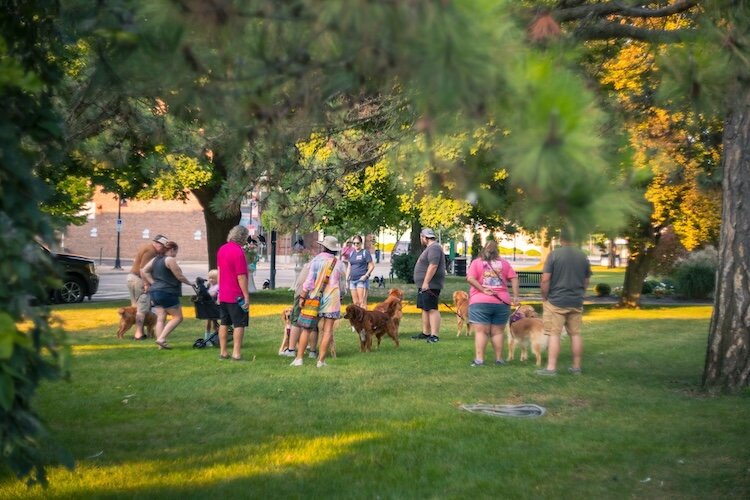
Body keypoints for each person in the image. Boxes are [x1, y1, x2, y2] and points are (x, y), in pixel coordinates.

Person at [537, 229, 592, 376]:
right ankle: (576, 367)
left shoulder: (554, 255)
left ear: (561, 239)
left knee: (554, 334)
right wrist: (580, 293)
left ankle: (551, 368)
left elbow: (545, 279)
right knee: (575, 334)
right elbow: (586, 281)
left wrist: (544, 296)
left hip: (556, 301)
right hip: (576, 301)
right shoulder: (583, 256)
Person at [291, 235, 346, 368]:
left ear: (324, 247)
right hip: (332, 299)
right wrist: (341, 296)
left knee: (306, 329)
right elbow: (343, 285)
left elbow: (309, 282)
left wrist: (303, 297)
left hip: (314, 298)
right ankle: (321, 361)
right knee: (327, 331)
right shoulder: (339, 264)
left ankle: (299, 359)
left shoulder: (316, 261)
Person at [465, 240, 519, 366]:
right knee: (498, 332)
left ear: (483, 250)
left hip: (480, 301)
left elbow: (470, 278)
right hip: (501, 302)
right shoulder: (504, 263)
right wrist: (516, 296)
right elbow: (514, 278)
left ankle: (479, 359)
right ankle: (499, 359)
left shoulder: (476, 262)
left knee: (481, 332)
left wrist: (483, 289)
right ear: (497, 251)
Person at [141, 241, 194, 350]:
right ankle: (161, 339)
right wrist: (190, 283)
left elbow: (144, 270)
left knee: (161, 318)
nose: (176, 253)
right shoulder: (170, 260)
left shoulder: (155, 259)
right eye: (176, 251)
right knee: (178, 317)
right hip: (167, 292)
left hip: (155, 292)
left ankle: (160, 346)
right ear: (172, 249)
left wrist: (153, 283)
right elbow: (179, 276)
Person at [217, 225, 250, 361]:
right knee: (239, 324)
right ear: (242, 237)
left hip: (224, 293)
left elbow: (219, 271)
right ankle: (236, 353)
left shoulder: (222, 249)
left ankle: (223, 352)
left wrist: (219, 291)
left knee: (224, 323)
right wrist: (246, 295)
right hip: (236, 295)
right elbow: (241, 276)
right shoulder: (238, 252)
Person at [126, 234, 168, 340]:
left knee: (136, 307)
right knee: (142, 308)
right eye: (162, 246)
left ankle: (140, 331)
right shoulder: (151, 251)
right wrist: (146, 284)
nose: (162, 249)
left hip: (132, 278)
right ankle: (139, 334)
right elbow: (143, 269)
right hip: (139, 280)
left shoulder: (146, 247)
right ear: (156, 243)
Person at [411, 228, 446, 343]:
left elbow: (433, 266)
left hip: (431, 285)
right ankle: (426, 333)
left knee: (431, 308)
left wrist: (426, 282)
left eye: (421, 237)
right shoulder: (430, 248)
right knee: (425, 308)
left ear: (425, 237)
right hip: (424, 285)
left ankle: (434, 335)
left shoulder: (434, 248)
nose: (421, 239)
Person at [279, 259, 316, 357]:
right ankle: (312, 352)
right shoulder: (331, 263)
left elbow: (305, 282)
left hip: (302, 292)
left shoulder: (311, 263)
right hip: (313, 294)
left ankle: (291, 350)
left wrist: (302, 296)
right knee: (312, 323)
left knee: (295, 322)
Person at [346, 235, 375, 308]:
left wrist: (366, 275)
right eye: (354, 243)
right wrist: (347, 279)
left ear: (361, 243)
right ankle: (357, 319)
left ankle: (365, 319)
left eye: (357, 243)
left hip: (361, 280)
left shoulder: (365, 252)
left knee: (362, 302)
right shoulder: (352, 253)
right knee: (356, 303)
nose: (356, 245)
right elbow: (349, 267)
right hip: (352, 280)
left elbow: (371, 266)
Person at [203, 269, 220, 343]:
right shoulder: (209, 286)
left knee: (214, 323)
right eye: (210, 278)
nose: (211, 280)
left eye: (213, 278)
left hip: (215, 307)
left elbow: (217, 294)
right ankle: (207, 338)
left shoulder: (218, 286)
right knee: (210, 322)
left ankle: (213, 338)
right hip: (210, 307)